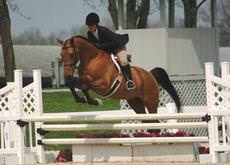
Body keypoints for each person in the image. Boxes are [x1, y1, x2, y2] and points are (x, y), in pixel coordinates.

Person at [85, 12, 135, 90]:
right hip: (107, 50)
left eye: (91, 25)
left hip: (118, 46)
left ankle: (129, 81)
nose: (90, 27)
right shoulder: (89, 34)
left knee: (123, 61)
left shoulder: (104, 31)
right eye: (89, 26)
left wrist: (101, 46)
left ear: (96, 24)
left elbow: (114, 43)